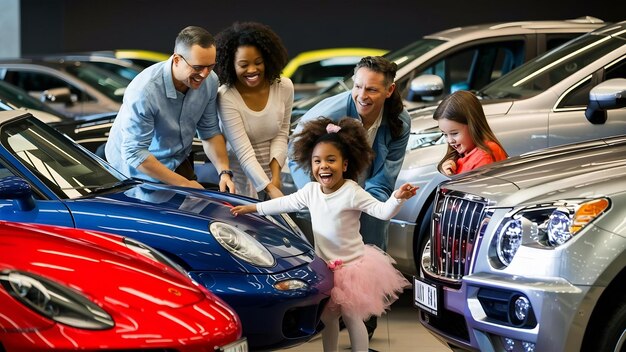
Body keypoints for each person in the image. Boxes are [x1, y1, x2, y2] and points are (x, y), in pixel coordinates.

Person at [231, 117, 416, 352]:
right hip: (325, 268)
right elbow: (283, 204)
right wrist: (252, 208)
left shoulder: (352, 192)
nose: (324, 166)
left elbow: (382, 211)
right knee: (327, 319)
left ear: (345, 165)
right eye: (317, 161)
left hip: (352, 269)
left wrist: (397, 198)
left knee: (351, 318)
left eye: (331, 160)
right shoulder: (310, 191)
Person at [288, 55, 410, 339]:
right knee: (329, 248)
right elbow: (298, 152)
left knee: (373, 234)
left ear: (389, 91)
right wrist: (326, 195)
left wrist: (364, 203)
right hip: (325, 184)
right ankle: (324, 313)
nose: (362, 96)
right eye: (357, 87)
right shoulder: (330, 112)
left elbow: (386, 173)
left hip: (366, 188)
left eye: (372, 90)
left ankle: (364, 319)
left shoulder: (399, 122)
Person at [105, 26, 235, 192]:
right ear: (176, 60)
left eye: (210, 66)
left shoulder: (210, 81)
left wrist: (224, 172)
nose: (204, 74)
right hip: (135, 171)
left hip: (176, 159)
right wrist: (185, 184)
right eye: (197, 67)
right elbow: (135, 153)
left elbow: (209, 131)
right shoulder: (144, 91)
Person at [215, 21, 292, 199]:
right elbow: (243, 152)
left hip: (275, 171)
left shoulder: (284, 86)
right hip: (241, 177)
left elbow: (281, 134)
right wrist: (269, 188)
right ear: (231, 65)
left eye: (258, 62)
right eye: (243, 65)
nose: (252, 70)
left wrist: (275, 178)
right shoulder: (226, 96)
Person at [433, 90, 508, 176]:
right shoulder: (462, 154)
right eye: (445, 134)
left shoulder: (483, 157)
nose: (450, 140)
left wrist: (451, 179)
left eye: (454, 133)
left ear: (473, 126)